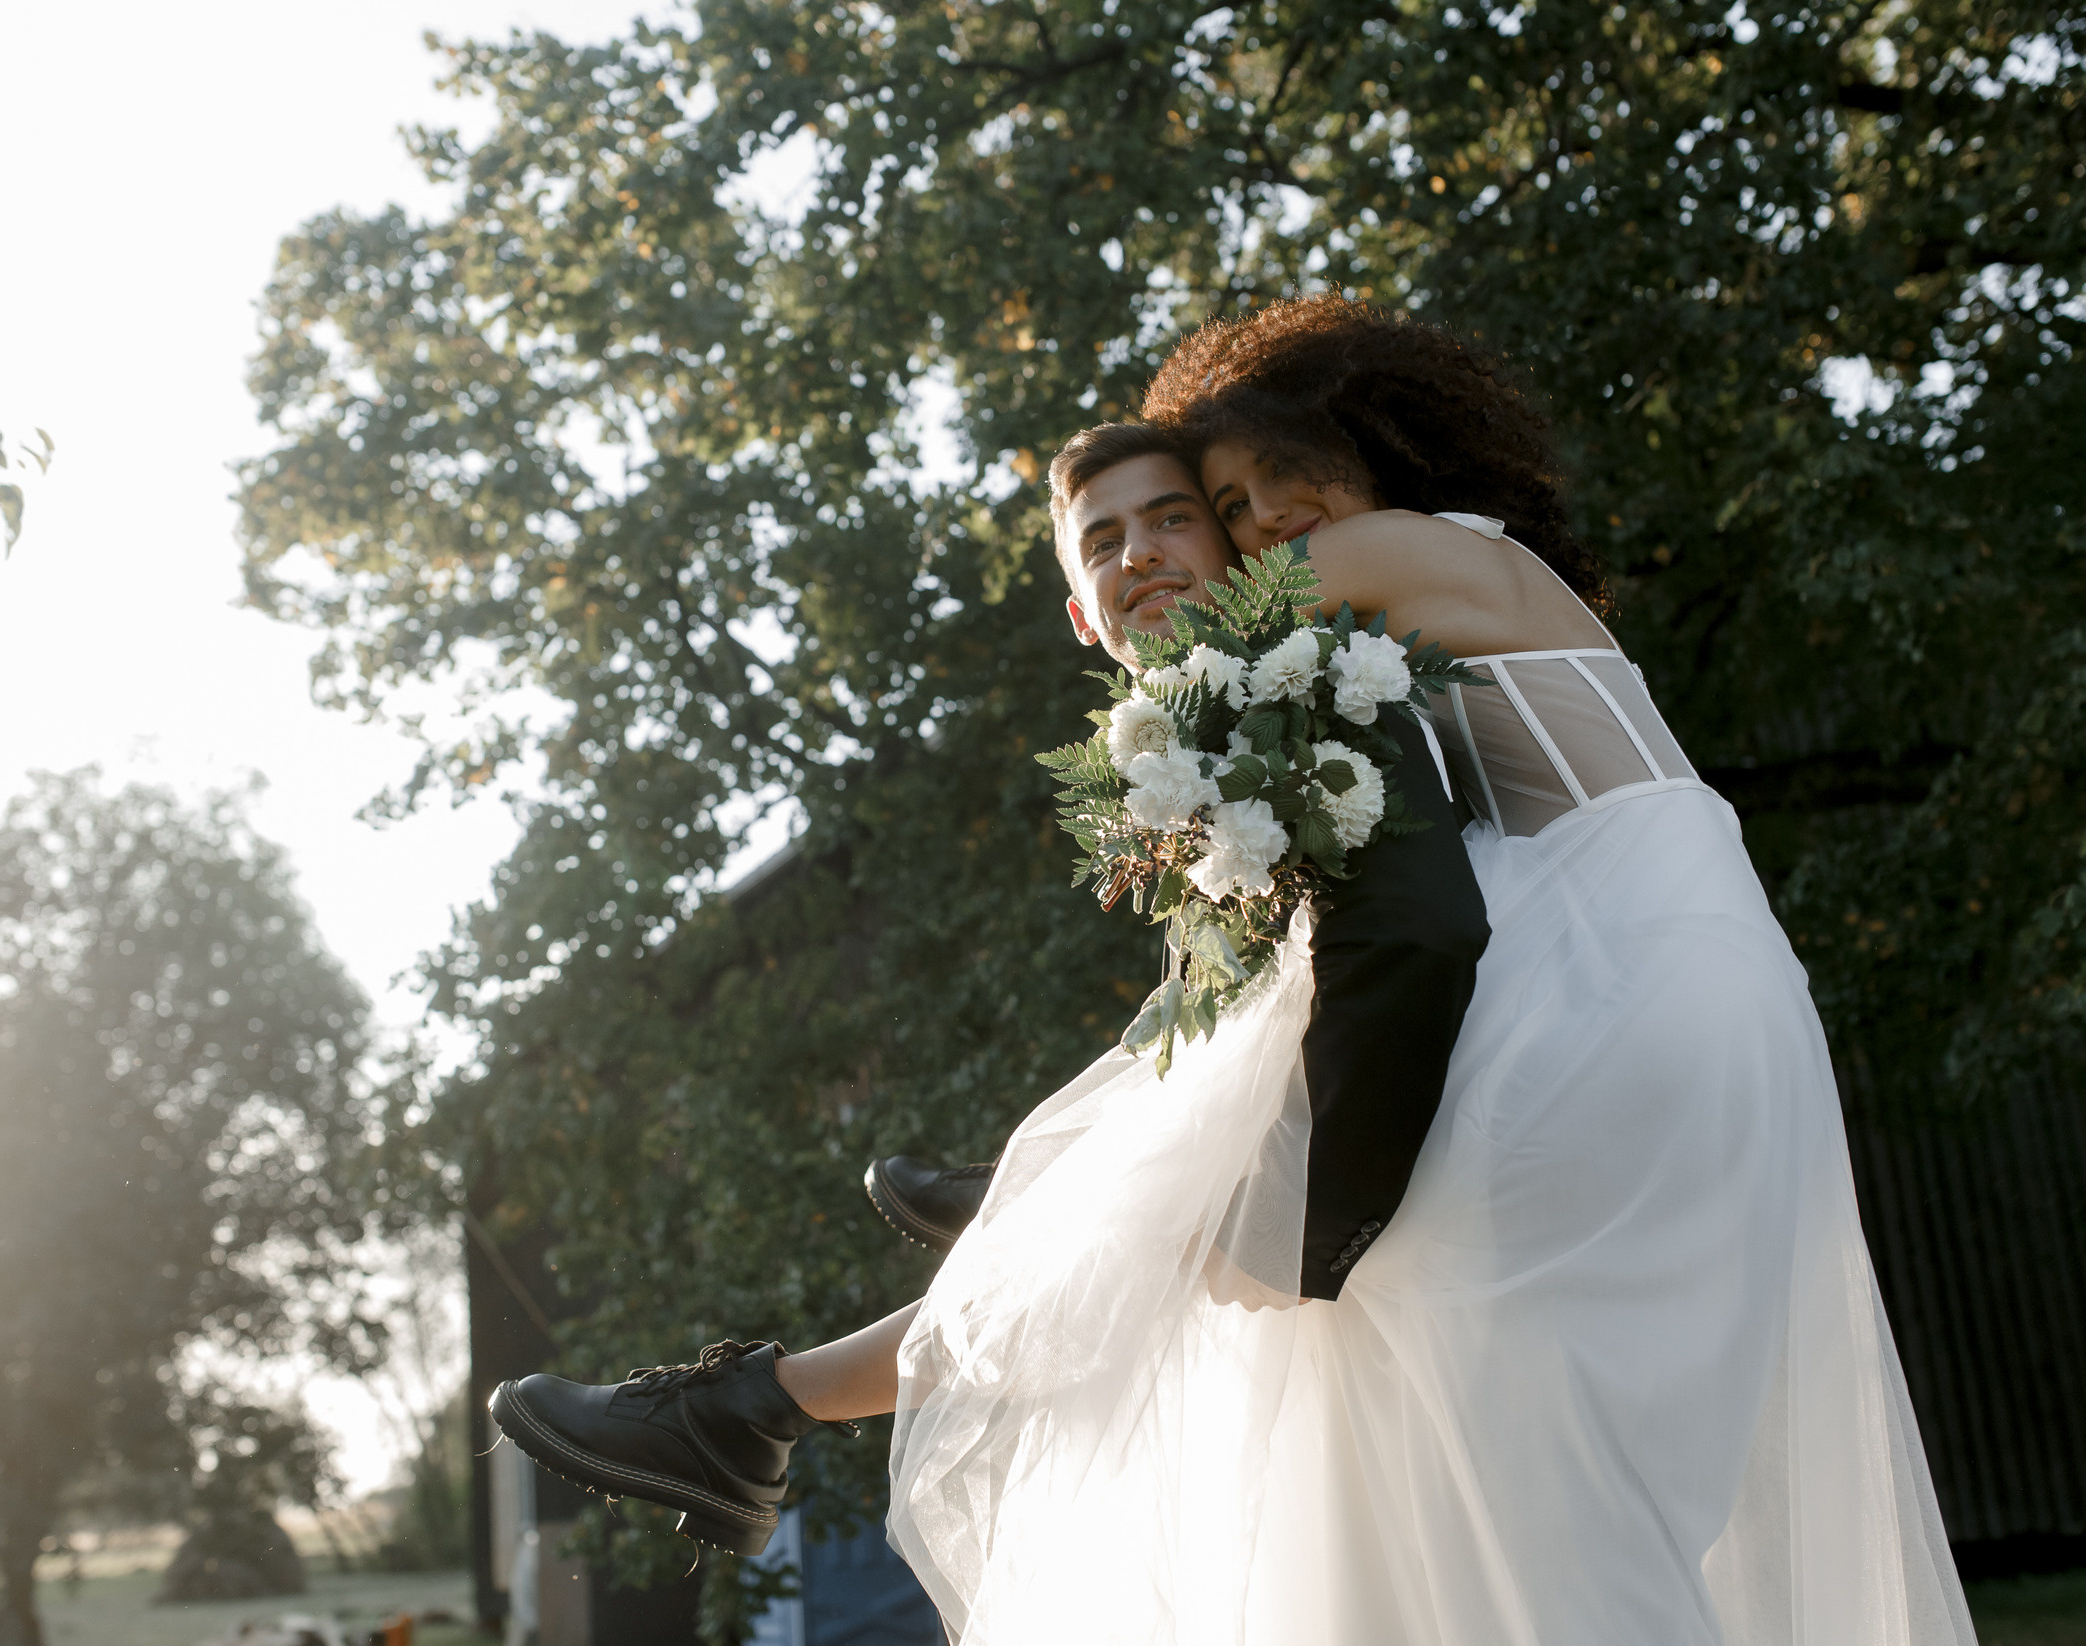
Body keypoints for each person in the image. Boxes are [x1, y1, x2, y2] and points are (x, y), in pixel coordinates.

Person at [488, 417, 1490, 1551]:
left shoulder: (1306, 674)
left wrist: (1300, 1221)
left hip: (1464, 1093)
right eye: (1103, 540)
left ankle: (761, 1404)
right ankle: (1013, 1206)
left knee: (1131, 1247)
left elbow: (1413, 930)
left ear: (1243, 556)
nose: (1142, 553)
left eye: (1172, 518)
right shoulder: (1212, 714)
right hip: (1423, 1073)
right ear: (1080, 613)